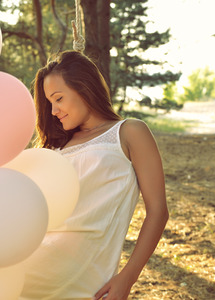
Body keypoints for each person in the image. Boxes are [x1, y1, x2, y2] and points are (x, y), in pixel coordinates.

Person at [19, 50, 169, 300]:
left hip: (78, 272)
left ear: (84, 88)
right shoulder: (55, 147)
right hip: (30, 259)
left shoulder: (129, 132)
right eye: (49, 103)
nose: (54, 110)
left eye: (59, 98)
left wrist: (128, 277)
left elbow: (158, 211)